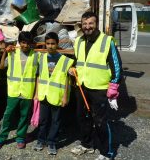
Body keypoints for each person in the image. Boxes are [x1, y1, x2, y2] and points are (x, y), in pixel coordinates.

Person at [69, 12, 122, 160]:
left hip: (99, 88)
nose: (87, 27)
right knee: (82, 118)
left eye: (90, 23)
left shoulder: (107, 41)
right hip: (82, 86)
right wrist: (72, 68)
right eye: (84, 24)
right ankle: (87, 145)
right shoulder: (79, 41)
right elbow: (77, 61)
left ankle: (107, 152)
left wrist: (114, 86)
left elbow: (116, 66)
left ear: (96, 24)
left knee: (100, 121)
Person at [0, 31, 39, 150]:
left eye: (28, 43)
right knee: (8, 115)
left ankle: (20, 137)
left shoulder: (36, 56)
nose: (25, 45)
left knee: (24, 117)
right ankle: (2, 137)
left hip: (27, 92)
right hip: (13, 90)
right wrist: (4, 53)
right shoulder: (12, 52)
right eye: (23, 42)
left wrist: (36, 93)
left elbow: (38, 75)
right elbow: (2, 66)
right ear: (19, 42)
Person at [33, 32, 74, 155]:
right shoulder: (41, 58)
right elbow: (39, 77)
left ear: (57, 43)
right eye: (48, 43)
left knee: (56, 121)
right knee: (43, 120)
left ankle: (52, 142)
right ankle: (40, 140)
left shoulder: (64, 60)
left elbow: (67, 80)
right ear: (45, 44)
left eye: (53, 43)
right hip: (44, 94)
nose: (50, 46)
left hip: (57, 96)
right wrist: (36, 93)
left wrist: (65, 97)